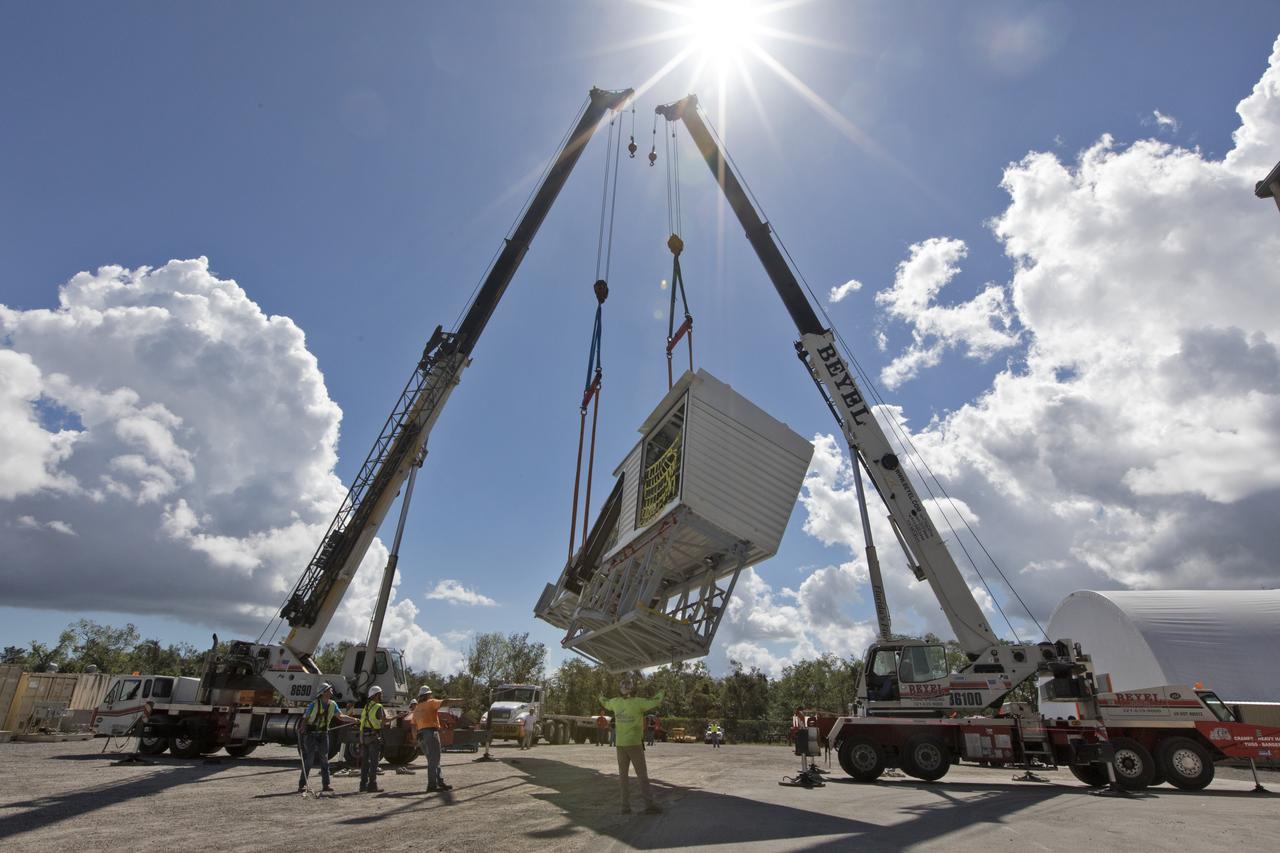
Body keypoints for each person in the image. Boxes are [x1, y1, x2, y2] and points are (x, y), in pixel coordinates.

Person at [599, 683, 664, 815]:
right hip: (634, 744)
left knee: (623, 776)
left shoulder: (615, 702)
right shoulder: (638, 702)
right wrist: (661, 691)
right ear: (632, 690)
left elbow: (605, 702)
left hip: (620, 744)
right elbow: (655, 701)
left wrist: (600, 696)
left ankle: (625, 807)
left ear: (621, 691)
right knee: (642, 775)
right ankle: (649, 805)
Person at [297, 683, 356, 793]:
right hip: (311, 734)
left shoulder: (333, 704)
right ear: (323, 692)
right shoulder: (313, 704)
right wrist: (302, 728)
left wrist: (353, 720)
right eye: (329, 690)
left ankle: (326, 785)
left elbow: (341, 716)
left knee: (324, 759)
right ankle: (302, 785)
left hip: (323, 734)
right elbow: (305, 718)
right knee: (309, 759)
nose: (331, 691)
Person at [412, 684, 463, 793]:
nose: (431, 695)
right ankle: (431, 785)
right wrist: (459, 701)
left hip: (421, 736)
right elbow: (445, 702)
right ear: (428, 695)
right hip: (431, 733)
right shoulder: (431, 702)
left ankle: (439, 782)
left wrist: (415, 739)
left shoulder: (417, 708)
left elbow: (413, 726)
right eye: (430, 694)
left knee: (434, 760)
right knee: (433, 760)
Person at [358, 685, 395, 793]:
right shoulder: (378, 706)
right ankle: (372, 785)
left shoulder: (366, 706)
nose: (382, 695)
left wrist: (361, 738)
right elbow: (384, 722)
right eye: (380, 694)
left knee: (365, 762)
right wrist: (397, 717)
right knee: (374, 762)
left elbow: (362, 723)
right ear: (376, 695)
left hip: (364, 737)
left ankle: (362, 785)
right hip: (374, 737)